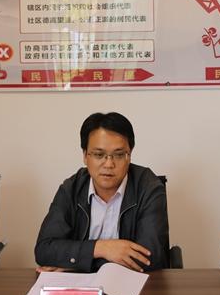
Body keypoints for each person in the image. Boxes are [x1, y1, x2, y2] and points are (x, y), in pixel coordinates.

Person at [35, 112, 169, 272]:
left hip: (132, 284)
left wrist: (75, 263)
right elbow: (44, 250)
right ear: (85, 156)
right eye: (99, 155)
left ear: (129, 156)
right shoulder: (71, 188)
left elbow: (149, 258)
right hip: (80, 286)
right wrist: (101, 248)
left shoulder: (149, 187)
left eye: (119, 155)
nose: (109, 164)